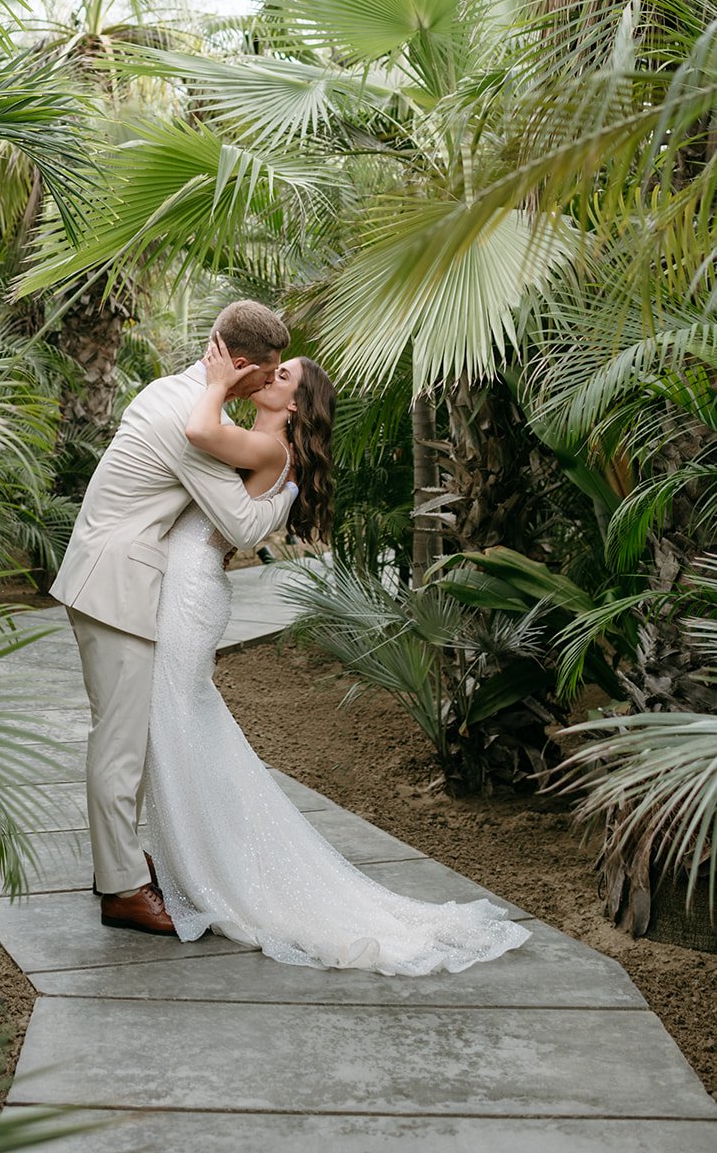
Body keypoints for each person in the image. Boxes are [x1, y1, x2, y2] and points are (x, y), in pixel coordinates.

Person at [142, 335, 532, 975]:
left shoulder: (270, 446)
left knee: (175, 724)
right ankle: (197, 857)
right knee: (183, 727)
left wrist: (214, 380)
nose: (269, 373)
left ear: (295, 405)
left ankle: (203, 868)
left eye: (282, 373)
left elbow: (195, 428)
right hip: (187, 586)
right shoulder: (268, 440)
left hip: (190, 592)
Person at [51, 300, 298, 935]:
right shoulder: (184, 418)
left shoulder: (180, 393)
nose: (267, 387)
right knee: (120, 742)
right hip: (117, 584)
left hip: (115, 578)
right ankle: (124, 890)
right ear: (238, 366)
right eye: (264, 376)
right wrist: (288, 494)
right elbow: (240, 523)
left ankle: (121, 867)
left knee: (125, 736)